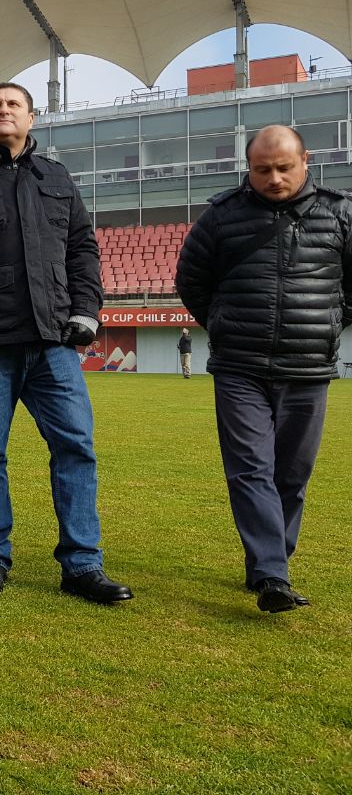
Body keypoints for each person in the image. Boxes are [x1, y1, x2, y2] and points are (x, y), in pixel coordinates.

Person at [0, 81, 133, 604]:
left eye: (14, 104)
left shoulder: (56, 178)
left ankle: (82, 564)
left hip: (54, 342)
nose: (4, 110)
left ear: (32, 118)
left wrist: (87, 311)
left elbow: (83, 249)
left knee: (75, 448)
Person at [176, 124, 352, 613]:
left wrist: (331, 320)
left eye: (283, 168)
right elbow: (191, 279)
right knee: (251, 469)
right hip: (240, 367)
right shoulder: (221, 216)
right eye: (262, 170)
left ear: (306, 161)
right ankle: (273, 574)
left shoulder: (340, 213)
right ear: (248, 168)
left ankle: (270, 561)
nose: (273, 178)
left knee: (293, 473)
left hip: (308, 368)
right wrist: (221, 321)